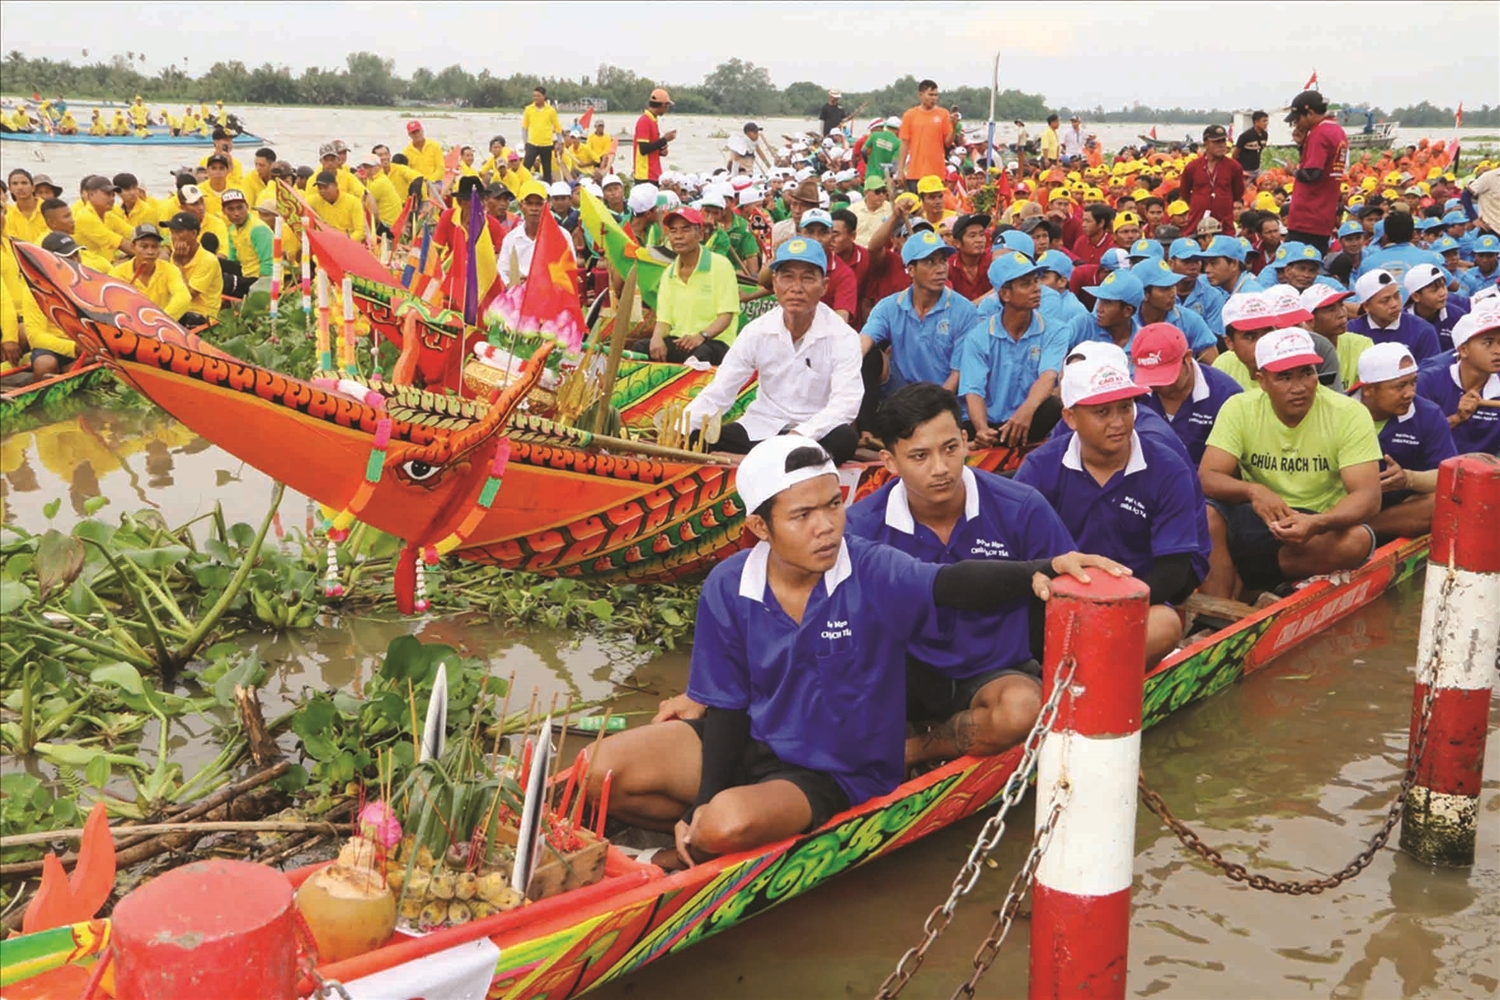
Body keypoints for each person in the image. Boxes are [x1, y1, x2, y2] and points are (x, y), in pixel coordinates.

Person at [587, 432, 1125, 866]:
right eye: (802, 516)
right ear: (759, 528)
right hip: (758, 738)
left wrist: (1046, 567)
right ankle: (706, 824)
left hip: (835, 768)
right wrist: (706, 798)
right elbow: (726, 706)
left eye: (834, 505)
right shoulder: (730, 585)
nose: (826, 528)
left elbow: (953, 583)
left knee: (727, 823)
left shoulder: (869, 566)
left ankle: (678, 853)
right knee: (599, 770)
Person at [846, 383, 1079, 764]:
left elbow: (1069, 600)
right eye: (919, 456)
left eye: (950, 448)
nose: (940, 468)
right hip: (901, 674)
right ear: (889, 462)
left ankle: (915, 750)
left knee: (1022, 709)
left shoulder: (1021, 507)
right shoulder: (859, 526)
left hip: (994, 671)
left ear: (967, 441)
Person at [1015, 354, 1204, 666]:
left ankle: (1083, 672)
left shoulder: (1168, 468)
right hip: (1057, 600)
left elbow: (1172, 570)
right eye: (1102, 412)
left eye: (1126, 408)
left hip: (1133, 601)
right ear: (1071, 418)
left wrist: (1105, 609)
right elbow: (1017, 550)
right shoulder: (1040, 467)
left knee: (1166, 625)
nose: (1118, 422)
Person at [1199, 327, 1381, 598]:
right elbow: (1208, 475)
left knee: (1357, 541)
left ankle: (1253, 579)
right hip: (1261, 517)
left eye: (1307, 373)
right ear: (1261, 380)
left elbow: (1368, 496)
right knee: (1207, 515)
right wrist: (1253, 491)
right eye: (1284, 377)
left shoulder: (1349, 413)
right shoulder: (1239, 407)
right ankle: (1217, 611)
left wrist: (1318, 523)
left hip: (1320, 521)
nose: (1299, 387)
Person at [680, 238, 862, 464]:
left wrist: (798, 436)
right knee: (696, 437)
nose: (796, 288)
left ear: (824, 286)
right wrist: (681, 429)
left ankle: (745, 461)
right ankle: (768, 461)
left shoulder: (843, 336)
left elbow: (846, 404)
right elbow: (722, 389)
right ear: (774, 284)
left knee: (844, 439)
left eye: (807, 278)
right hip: (761, 428)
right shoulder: (757, 331)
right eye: (787, 277)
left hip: (808, 434)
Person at [960, 252, 1069, 447]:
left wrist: (1025, 413)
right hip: (992, 422)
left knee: (1053, 407)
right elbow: (973, 390)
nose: (1037, 289)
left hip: (1029, 418)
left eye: (1036, 281)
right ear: (1005, 294)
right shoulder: (978, 337)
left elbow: (1048, 376)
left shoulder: (1055, 330)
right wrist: (982, 429)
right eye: (1026, 284)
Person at [1354, 343, 1456, 542]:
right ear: (1368, 389)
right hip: (1342, 502)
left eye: (1413, 382)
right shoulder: (1340, 413)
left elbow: (1447, 476)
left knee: (1441, 503)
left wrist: (1408, 479)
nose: (1410, 393)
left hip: (1397, 510)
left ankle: (1362, 530)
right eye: (1400, 386)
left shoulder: (1428, 413)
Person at [859, 229, 973, 396]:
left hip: (944, 398)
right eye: (930, 262)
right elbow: (864, 342)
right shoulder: (889, 306)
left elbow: (958, 373)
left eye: (943, 261)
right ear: (911, 270)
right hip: (902, 393)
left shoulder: (965, 310)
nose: (940, 269)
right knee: (869, 356)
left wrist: (933, 408)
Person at [634, 207, 740, 365]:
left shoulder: (720, 265)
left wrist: (701, 336)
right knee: (640, 348)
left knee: (702, 353)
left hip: (713, 341)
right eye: (673, 231)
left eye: (685, 230)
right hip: (680, 341)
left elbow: (726, 315)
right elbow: (664, 320)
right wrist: (656, 339)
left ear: (700, 234)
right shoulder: (669, 273)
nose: (678, 237)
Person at [1131, 322, 1242, 466]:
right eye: (1151, 378)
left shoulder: (1225, 395)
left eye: (1166, 377)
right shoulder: (1134, 395)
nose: (1159, 386)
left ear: (1188, 357)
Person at [1416, 303, 1500, 454]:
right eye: (1488, 343)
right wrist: (1457, 418)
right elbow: (1415, 441)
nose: (1498, 351)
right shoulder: (1428, 382)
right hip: (1433, 471)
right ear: (1463, 350)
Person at [1284, 91, 1348, 252]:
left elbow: (1312, 174)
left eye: (1298, 119)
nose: (1296, 124)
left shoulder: (1319, 134)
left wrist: (1293, 171)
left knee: (1295, 266)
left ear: (1310, 113)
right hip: (1324, 215)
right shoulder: (1337, 130)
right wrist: (1301, 146)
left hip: (1307, 217)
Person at [1346, 269, 1440, 362]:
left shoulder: (1423, 331)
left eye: (1396, 296)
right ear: (1366, 306)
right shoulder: (1351, 332)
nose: (1394, 304)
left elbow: (1430, 371)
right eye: (1385, 301)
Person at [1301, 284, 1374, 388]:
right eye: (1331, 309)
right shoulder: (1300, 350)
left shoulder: (1361, 344)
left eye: (1341, 305)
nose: (1342, 314)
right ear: (1310, 320)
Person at [110, 225, 190, 321]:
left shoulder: (169, 270)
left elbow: (183, 297)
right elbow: (111, 303)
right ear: (133, 247)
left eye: (155, 246)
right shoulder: (118, 273)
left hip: (161, 327)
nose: (150, 251)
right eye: (144, 246)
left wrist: (160, 320)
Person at [1181, 125, 1245, 238]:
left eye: (1223, 141)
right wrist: (1199, 203)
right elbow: (1184, 193)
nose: (1221, 145)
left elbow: (1238, 193)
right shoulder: (1192, 167)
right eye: (1216, 142)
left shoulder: (1234, 167)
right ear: (1205, 143)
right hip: (1197, 223)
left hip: (1224, 224)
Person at [163, 212, 223, 325]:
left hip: (201, 315)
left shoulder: (208, 260)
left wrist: (178, 264)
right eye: (172, 232)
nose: (174, 237)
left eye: (179, 232)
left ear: (194, 233)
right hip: (180, 310)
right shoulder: (176, 255)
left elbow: (187, 296)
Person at [896, 81, 951, 191]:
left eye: (936, 95)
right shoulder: (910, 115)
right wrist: (900, 170)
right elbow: (904, 144)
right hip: (915, 172)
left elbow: (948, 143)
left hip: (936, 173)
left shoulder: (943, 114)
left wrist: (953, 127)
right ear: (920, 94)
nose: (933, 98)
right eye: (930, 95)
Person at [1403, 262, 1469, 352]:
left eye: (1443, 286)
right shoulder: (1402, 321)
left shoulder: (1458, 317)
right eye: (1434, 290)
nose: (1443, 293)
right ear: (1416, 297)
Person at [497, 181, 552, 288]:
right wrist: (513, 282)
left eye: (539, 204)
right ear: (520, 206)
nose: (534, 209)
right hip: (518, 298)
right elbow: (502, 271)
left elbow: (568, 271)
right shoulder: (511, 238)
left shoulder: (561, 236)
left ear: (547, 206)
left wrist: (539, 280)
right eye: (529, 203)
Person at [221, 190, 271, 295]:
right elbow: (233, 260)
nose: (236, 213)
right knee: (214, 264)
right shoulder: (232, 229)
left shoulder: (258, 229)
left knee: (226, 282)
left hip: (260, 282)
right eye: (231, 209)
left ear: (247, 207)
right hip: (245, 273)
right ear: (223, 211)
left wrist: (262, 293)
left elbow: (269, 262)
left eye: (240, 208)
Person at [633, 88, 677, 185]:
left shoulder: (652, 120)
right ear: (663, 105)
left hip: (653, 173)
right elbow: (643, 149)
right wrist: (664, 139)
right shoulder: (645, 120)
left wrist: (660, 152)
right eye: (667, 106)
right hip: (645, 175)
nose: (667, 109)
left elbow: (650, 147)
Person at [519, 87, 561, 184]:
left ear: (543, 97)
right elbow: (524, 127)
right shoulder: (528, 109)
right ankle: (523, 185)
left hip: (546, 144)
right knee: (526, 166)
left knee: (547, 170)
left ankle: (548, 190)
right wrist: (525, 142)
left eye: (538, 96)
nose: (536, 98)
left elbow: (557, 127)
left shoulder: (550, 110)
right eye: (534, 96)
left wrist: (560, 142)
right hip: (532, 143)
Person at [310, 171, 365, 242]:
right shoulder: (315, 200)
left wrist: (344, 242)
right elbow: (299, 204)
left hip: (348, 244)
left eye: (326, 187)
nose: (323, 191)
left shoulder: (353, 202)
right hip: (326, 243)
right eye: (320, 188)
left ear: (336, 185)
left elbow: (360, 232)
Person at [5, 169, 48, 244]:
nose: (20, 187)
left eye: (24, 183)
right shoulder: (8, 216)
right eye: (15, 184)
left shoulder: (48, 209)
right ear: (10, 189)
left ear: (33, 188)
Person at [850, 175, 891, 247]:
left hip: (881, 251)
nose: (881, 195)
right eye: (877, 191)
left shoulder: (891, 209)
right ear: (866, 192)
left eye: (884, 191)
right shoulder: (853, 210)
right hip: (859, 251)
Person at [1234, 112, 1270, 179]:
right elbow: (1235, 154)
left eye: (1267, 121)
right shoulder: (1245, 136)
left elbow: (1260, 150)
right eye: (1264, 121)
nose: (1266, 123)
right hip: (1245, 170)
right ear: (1256, 122)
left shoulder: (1265, 135)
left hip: (1257, 169)